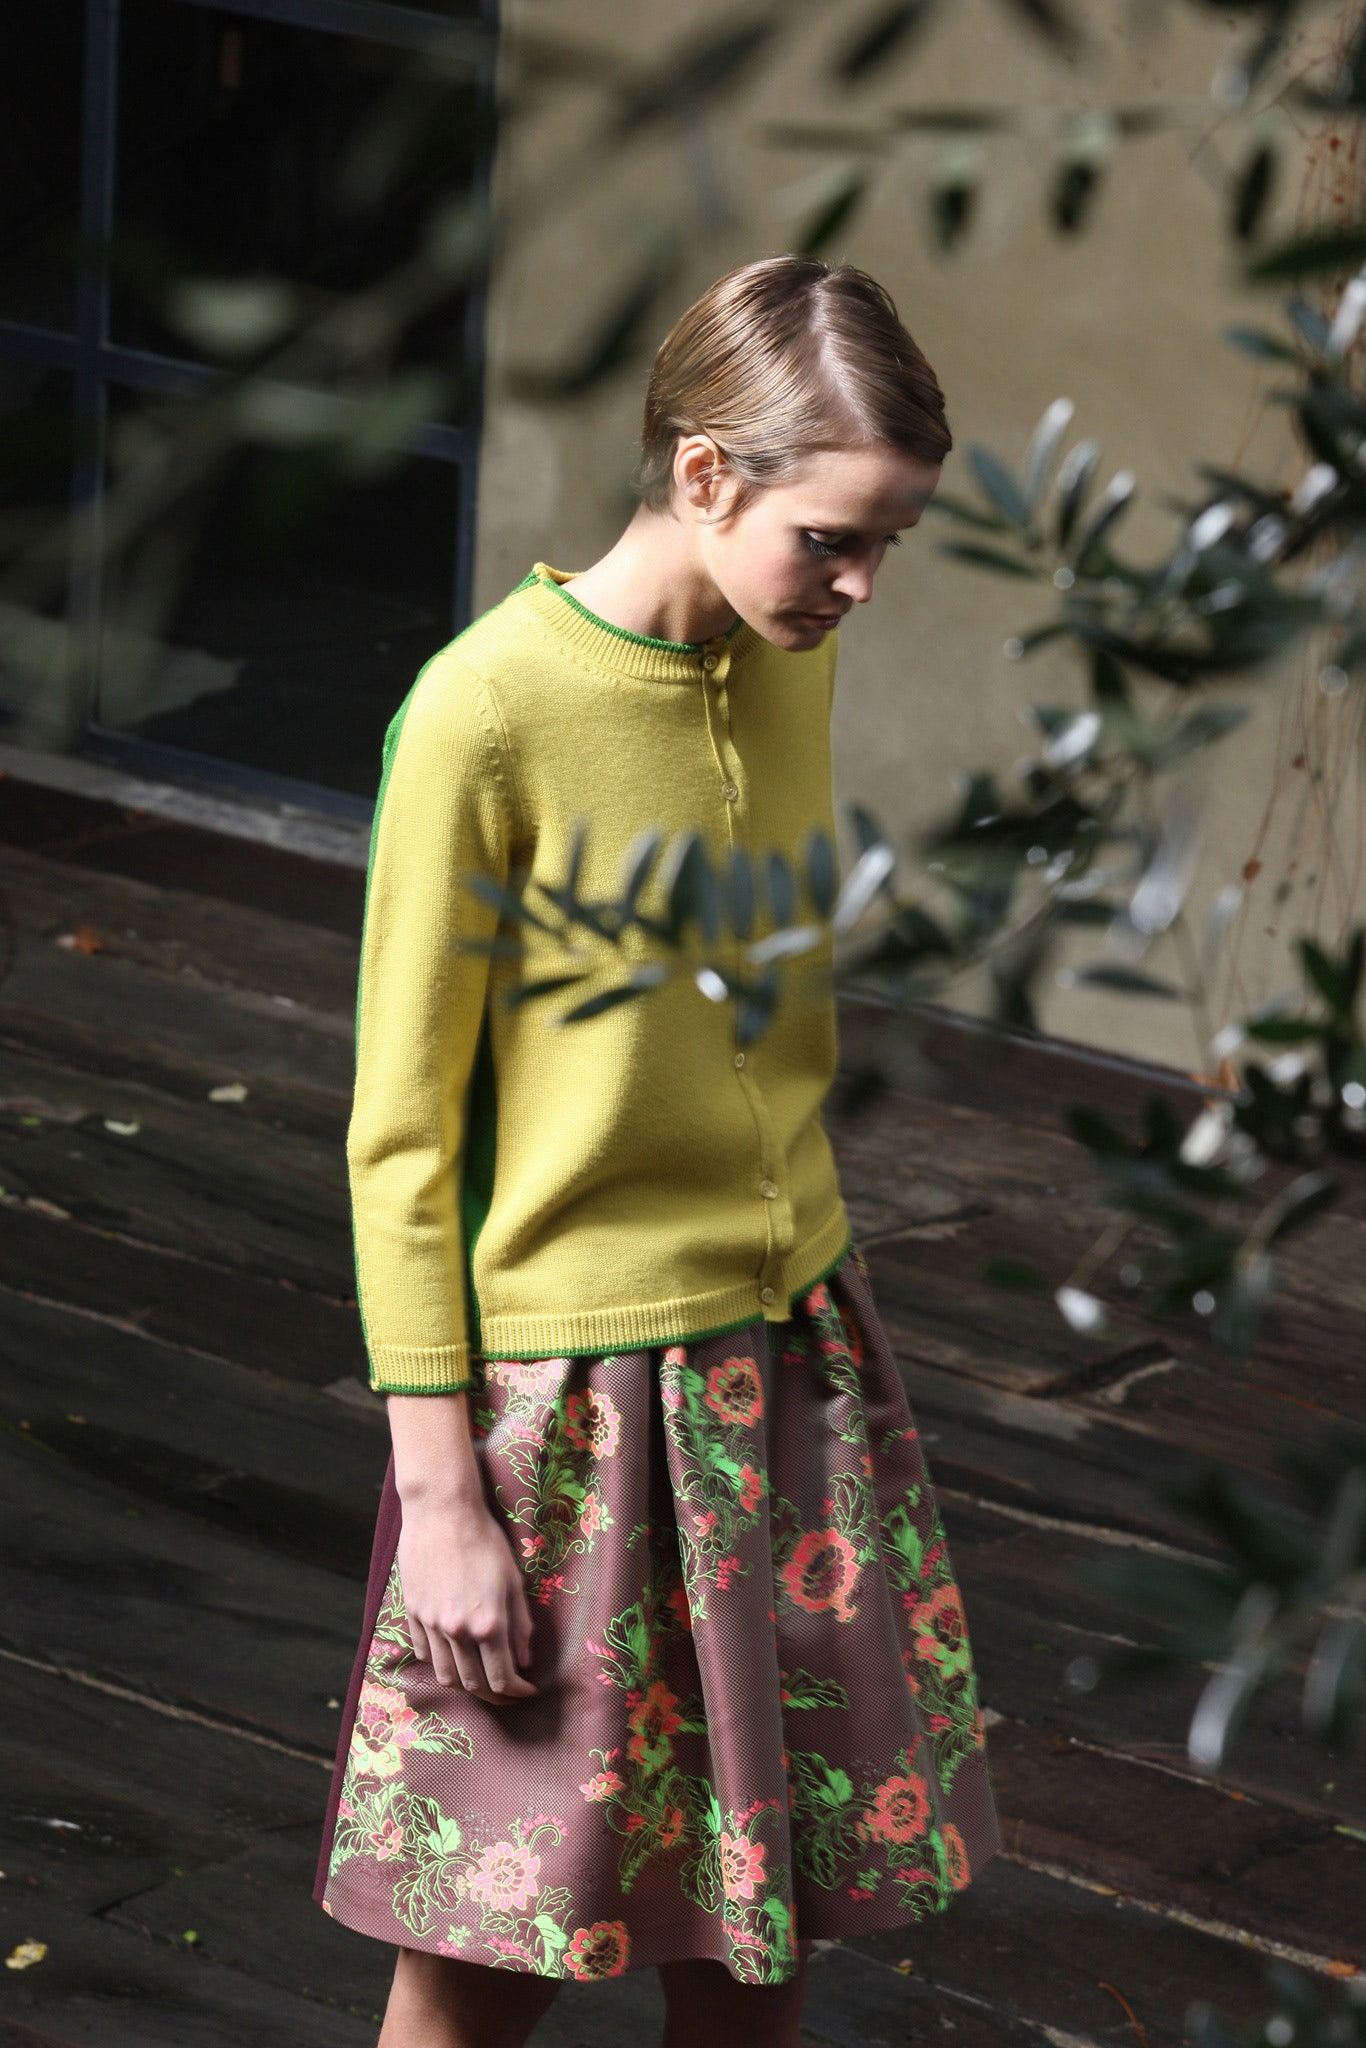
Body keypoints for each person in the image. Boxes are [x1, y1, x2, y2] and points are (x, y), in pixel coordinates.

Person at [314, 255, 1000, 2048]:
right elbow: (398, 1135)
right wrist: (445, 1500)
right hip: (564, 1410)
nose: (855, 588)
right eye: (831, 541)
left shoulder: (782, 664)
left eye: (885, 548)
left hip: (786, 1354)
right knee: (486, 1940)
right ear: (705, 475)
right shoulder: (484, 715)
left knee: (752, 1925)